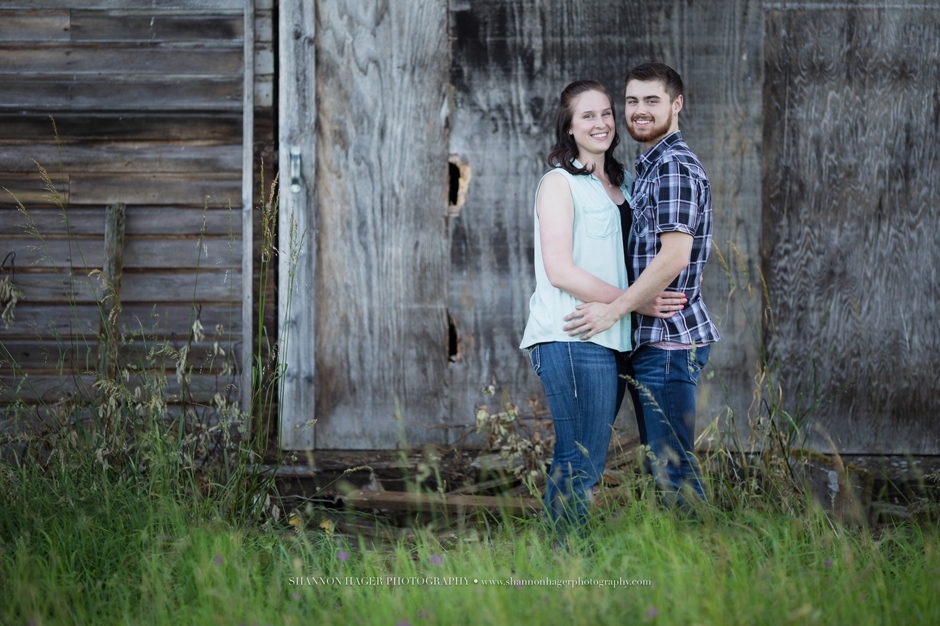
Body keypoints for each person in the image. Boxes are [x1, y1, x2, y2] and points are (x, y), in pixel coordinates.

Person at [520, 80, 684, 533]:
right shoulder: (559, 184)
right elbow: (561, 271)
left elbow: (657, 249)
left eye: (607, 113)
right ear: (569, 127)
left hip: (616, 336)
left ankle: (567, 554)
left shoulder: (626, 184)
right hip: (574, 336)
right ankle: (565, 557)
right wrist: (638, 302)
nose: (601, 123)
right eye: (587, 115)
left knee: (586, 456)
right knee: (580, 460)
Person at [562, 63, 720, 508]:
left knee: (672, 467)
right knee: (665, 466)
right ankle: (683, 547)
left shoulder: (672, 166)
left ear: (677, 104)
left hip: (668, 339)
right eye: (632, 101)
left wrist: (613, 310)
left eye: (652, 100)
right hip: (653, 338)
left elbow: (675, 256)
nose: (639, 110)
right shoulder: (648, 168)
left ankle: (700, 547)